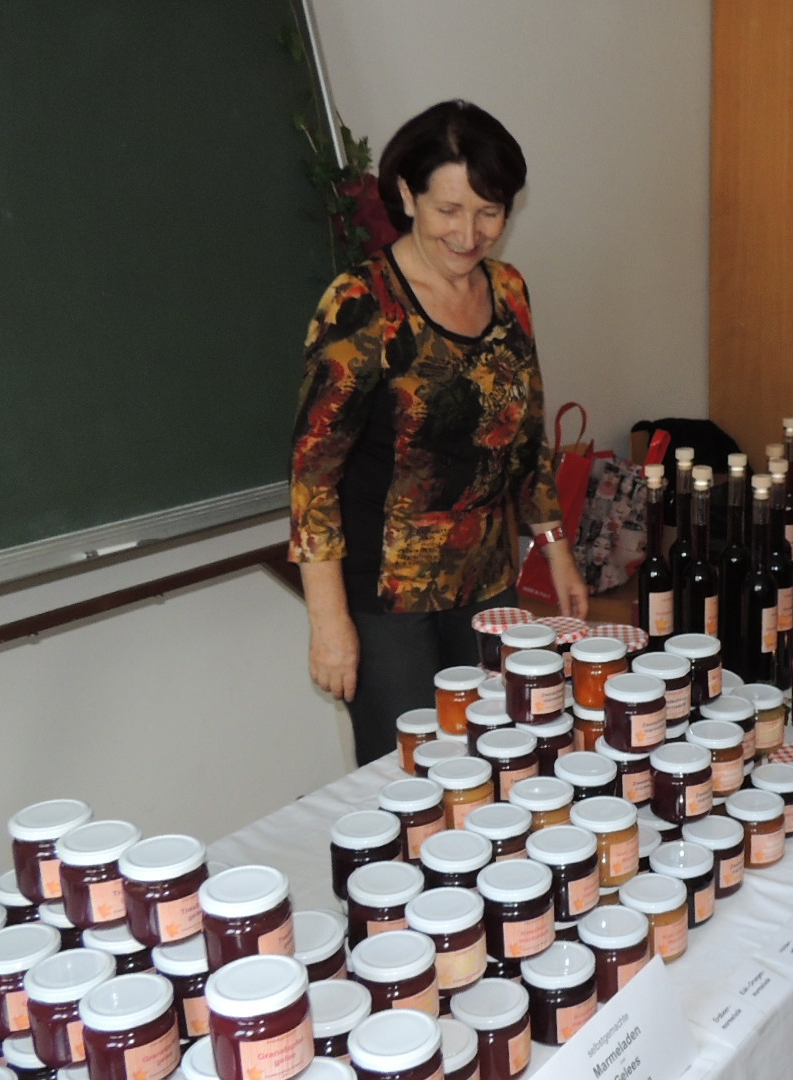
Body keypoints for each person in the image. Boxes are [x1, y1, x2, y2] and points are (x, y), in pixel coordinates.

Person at [289, 100, 589, 766]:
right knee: (412, 773)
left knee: (503, 754)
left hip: (487, 580)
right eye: (449, 210)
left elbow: (525, 436)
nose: (469, 233)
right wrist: (329, 622)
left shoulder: (509, 291)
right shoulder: (362, 302)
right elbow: (313, 474)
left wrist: (557, 551)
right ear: (406, 195)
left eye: (489, 212)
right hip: (388, 596)